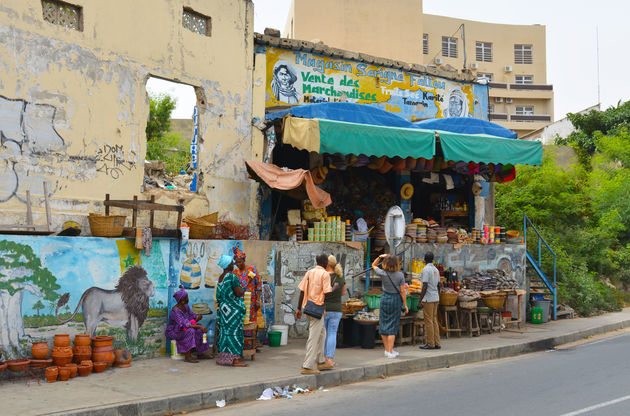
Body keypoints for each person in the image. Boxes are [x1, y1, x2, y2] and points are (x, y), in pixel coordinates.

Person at [296, 253, 333, 375]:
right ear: (326, 263)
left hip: (308, 308)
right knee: (314, 337)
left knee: (322, 333)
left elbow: (302, 291)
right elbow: (327, 293)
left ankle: (320, 361)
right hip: (317, 310)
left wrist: (299, 309)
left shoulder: (309, 272)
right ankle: (307, 366)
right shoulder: (325, 274)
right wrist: (336, 287)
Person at [372, 254, 408, 358]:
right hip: (395, 300)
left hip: (385, 299)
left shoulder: (382, 273)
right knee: (393, 325)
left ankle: (387, 350)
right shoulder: (400, 275)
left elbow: (373, 265)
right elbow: (402, 291)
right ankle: (390, 351)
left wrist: (380, 256)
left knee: (383, 324)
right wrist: (405, 305)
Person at [215, 255, 248, 367]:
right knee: (234, 333)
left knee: (225, 332)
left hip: (224, 310)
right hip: (233, 310)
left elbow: (218, 295)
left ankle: (224, 358)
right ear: (228, 265)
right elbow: (239, 293)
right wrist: (247, 284)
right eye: (231, 263)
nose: (233, 265)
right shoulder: (232, 277)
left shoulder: (220, 278)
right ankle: (235, 360)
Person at [165, 286, 210, 363]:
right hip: (175, 332)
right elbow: (185, 324)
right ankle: (187, 357)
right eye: (187, 297)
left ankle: (200, 353)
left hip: (183, 329)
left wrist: (198, 317)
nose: (188, 299)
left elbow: (192, 317)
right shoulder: (176, 311)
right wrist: (199, 326)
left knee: (199, 331)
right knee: (191, 331)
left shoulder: (185, 306)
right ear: (182, 301)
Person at [231, 246, 262, 351]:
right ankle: (242, 345)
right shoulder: (235, 273)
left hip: (251, 302)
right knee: (241, 323)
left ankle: (251, 345)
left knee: (251, 322)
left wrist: (258, 300)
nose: (238, 264)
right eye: (236, 263)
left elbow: (258, 286)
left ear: (244, 260)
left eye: (240, 262)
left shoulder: (252, 270)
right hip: (239, 302)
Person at [323, 254, 345, 367]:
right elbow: (343, 293)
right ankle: (330, 360)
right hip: (336, 309)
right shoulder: (340, 277)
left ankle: (324, 358)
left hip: (324, 309)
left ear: (326, 264)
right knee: (332, 334)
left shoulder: (323, 276)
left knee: (323, 334)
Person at [416, 252, 441, 350]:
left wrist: (420, 300)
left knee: (428, 321)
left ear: (424, 259)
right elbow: (439, 285)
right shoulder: (436, 270)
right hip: (435, 298)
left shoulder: (426, 270)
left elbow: (425, 286)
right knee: (434, 320)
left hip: (429, 298)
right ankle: (437, 342)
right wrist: (438, 296)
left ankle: (430, 343)